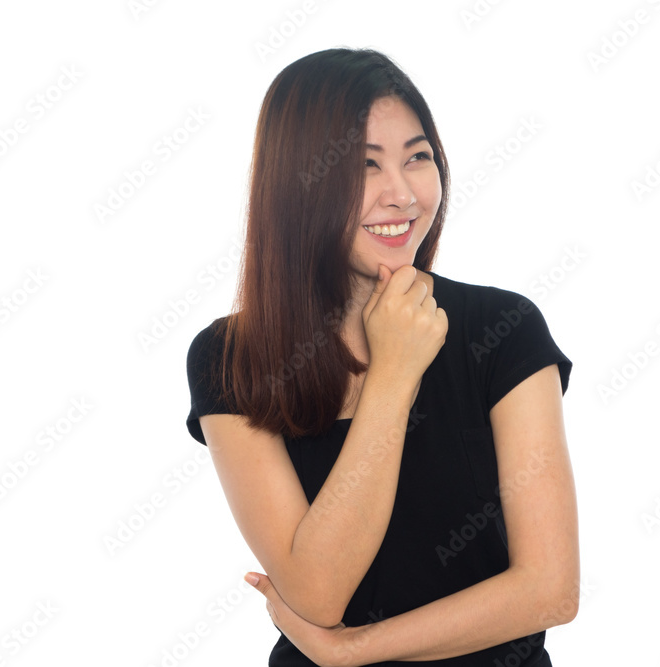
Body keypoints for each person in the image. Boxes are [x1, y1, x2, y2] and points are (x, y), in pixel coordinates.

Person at [184, 47, 579, 666]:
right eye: (364, 167)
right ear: (299, 182)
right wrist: (393, 375)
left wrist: (353, 652)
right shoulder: (230, 359)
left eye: (417, 157)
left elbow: (549, 590)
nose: (402, 194)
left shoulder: (502, 329)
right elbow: (317, 595)